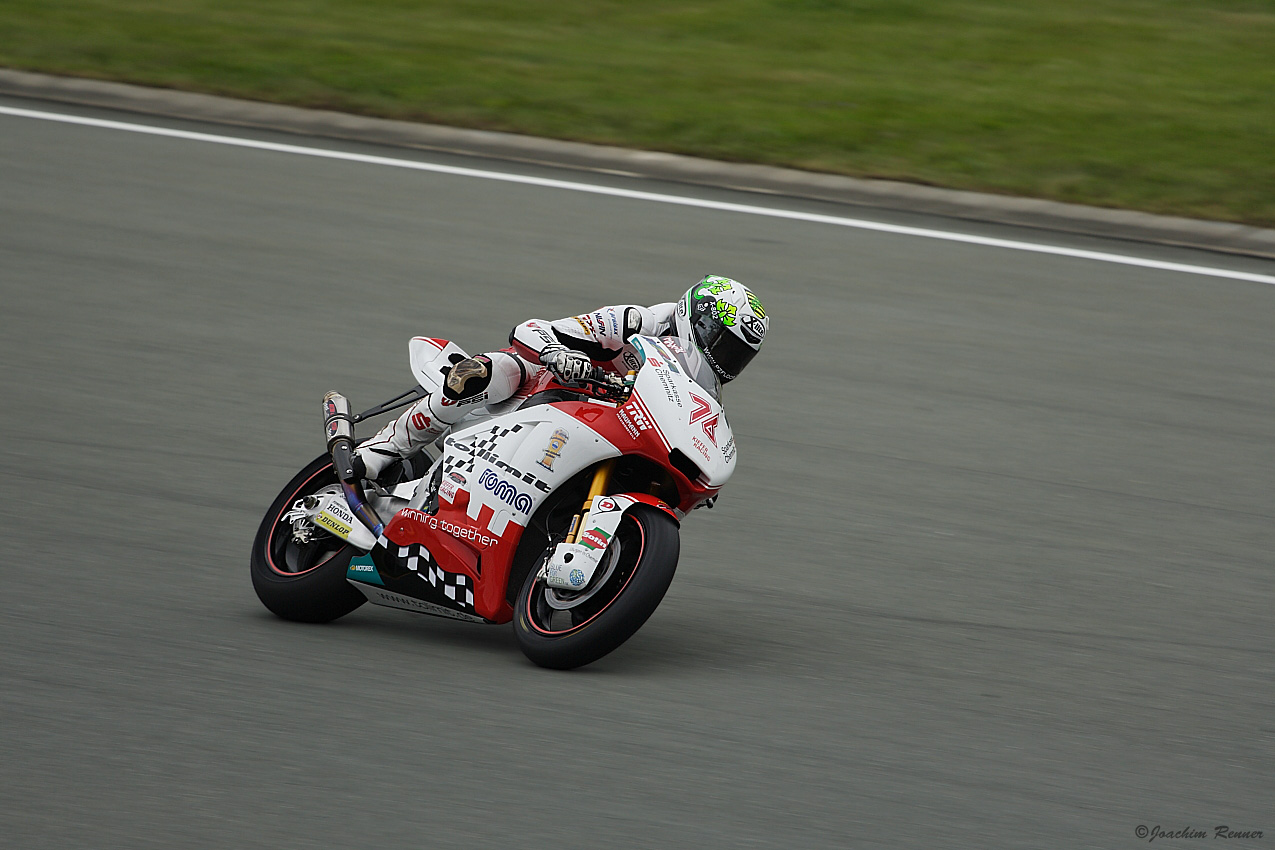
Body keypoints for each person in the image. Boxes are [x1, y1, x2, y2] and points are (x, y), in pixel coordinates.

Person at [353, 275, 769, 481]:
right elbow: (532, 329)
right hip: (546, 385)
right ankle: (379, 451)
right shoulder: (637, 321)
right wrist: (557, 354)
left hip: (597, 425)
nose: (728, 361)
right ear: (699, 319)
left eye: (740, 356)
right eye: (726, 345)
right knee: (489, 374)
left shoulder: (699, 385)